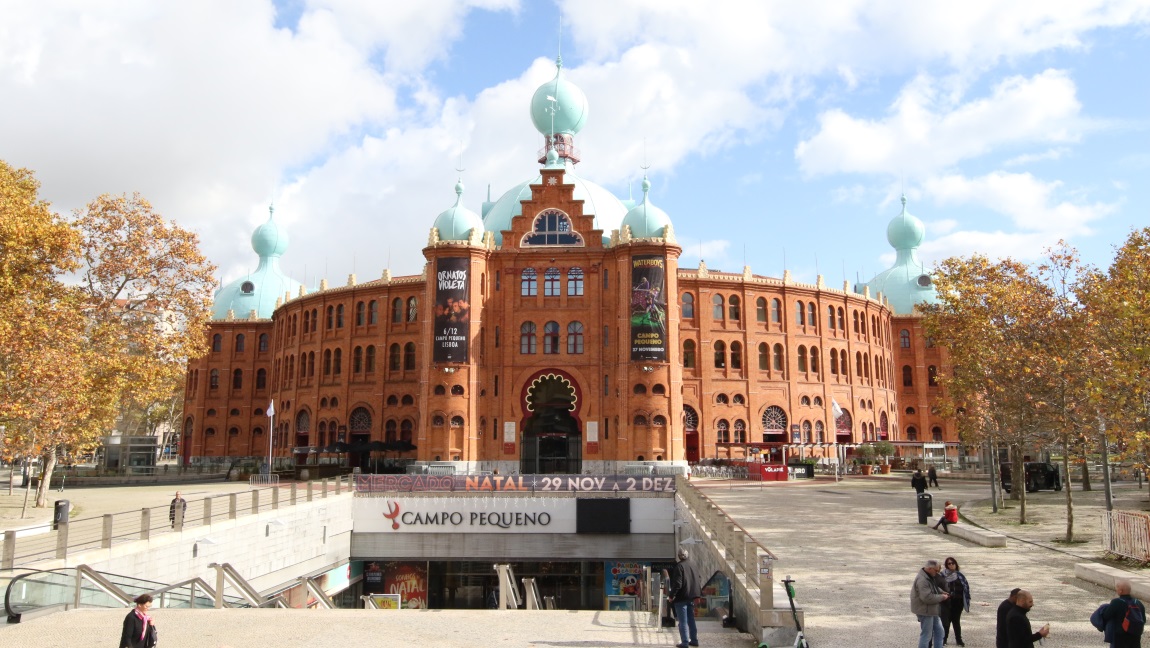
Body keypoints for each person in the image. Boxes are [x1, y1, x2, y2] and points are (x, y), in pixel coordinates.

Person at [911, 559, 949, 648]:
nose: (937, 573)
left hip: (931, 610)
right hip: (925, 610)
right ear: (929, 568)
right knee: (926, 635)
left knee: (940, 632)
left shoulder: (928, 576)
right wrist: (942, 597)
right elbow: (927, 598)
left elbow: (932, 587)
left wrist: (941, 592)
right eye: (936, 570)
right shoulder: (922, 579)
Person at [668, 548, 702, 648]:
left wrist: (671, 595)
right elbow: (699, 579)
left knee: (682, 621)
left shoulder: (679, 566)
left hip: (681, 597)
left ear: (679, 556)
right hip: (691, 596)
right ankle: (694, 640)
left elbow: (678, 584)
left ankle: (685, 642)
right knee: (691, 619)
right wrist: (698, 594)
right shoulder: (693, 565)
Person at [1098, 579, 1145, 647]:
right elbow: (1143, 619)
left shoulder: (1116, 602)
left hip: (1120, 638)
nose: (1116, 590)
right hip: (1135, 637)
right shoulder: (1138, 603)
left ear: (1121, 591)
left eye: (1117, 588)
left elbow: (1106, 616)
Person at [940, 557, 971, 646]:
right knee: (946, 621)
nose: (951, 565)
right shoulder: (942, 576)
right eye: (949, 563)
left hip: (958, 602)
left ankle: (959, 640)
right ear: (946, 565)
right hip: (946, 602)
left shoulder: (960, 576)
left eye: (953, 563)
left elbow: (966, 588)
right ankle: (944, 639)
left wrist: (966, 600)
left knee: (956, 621)